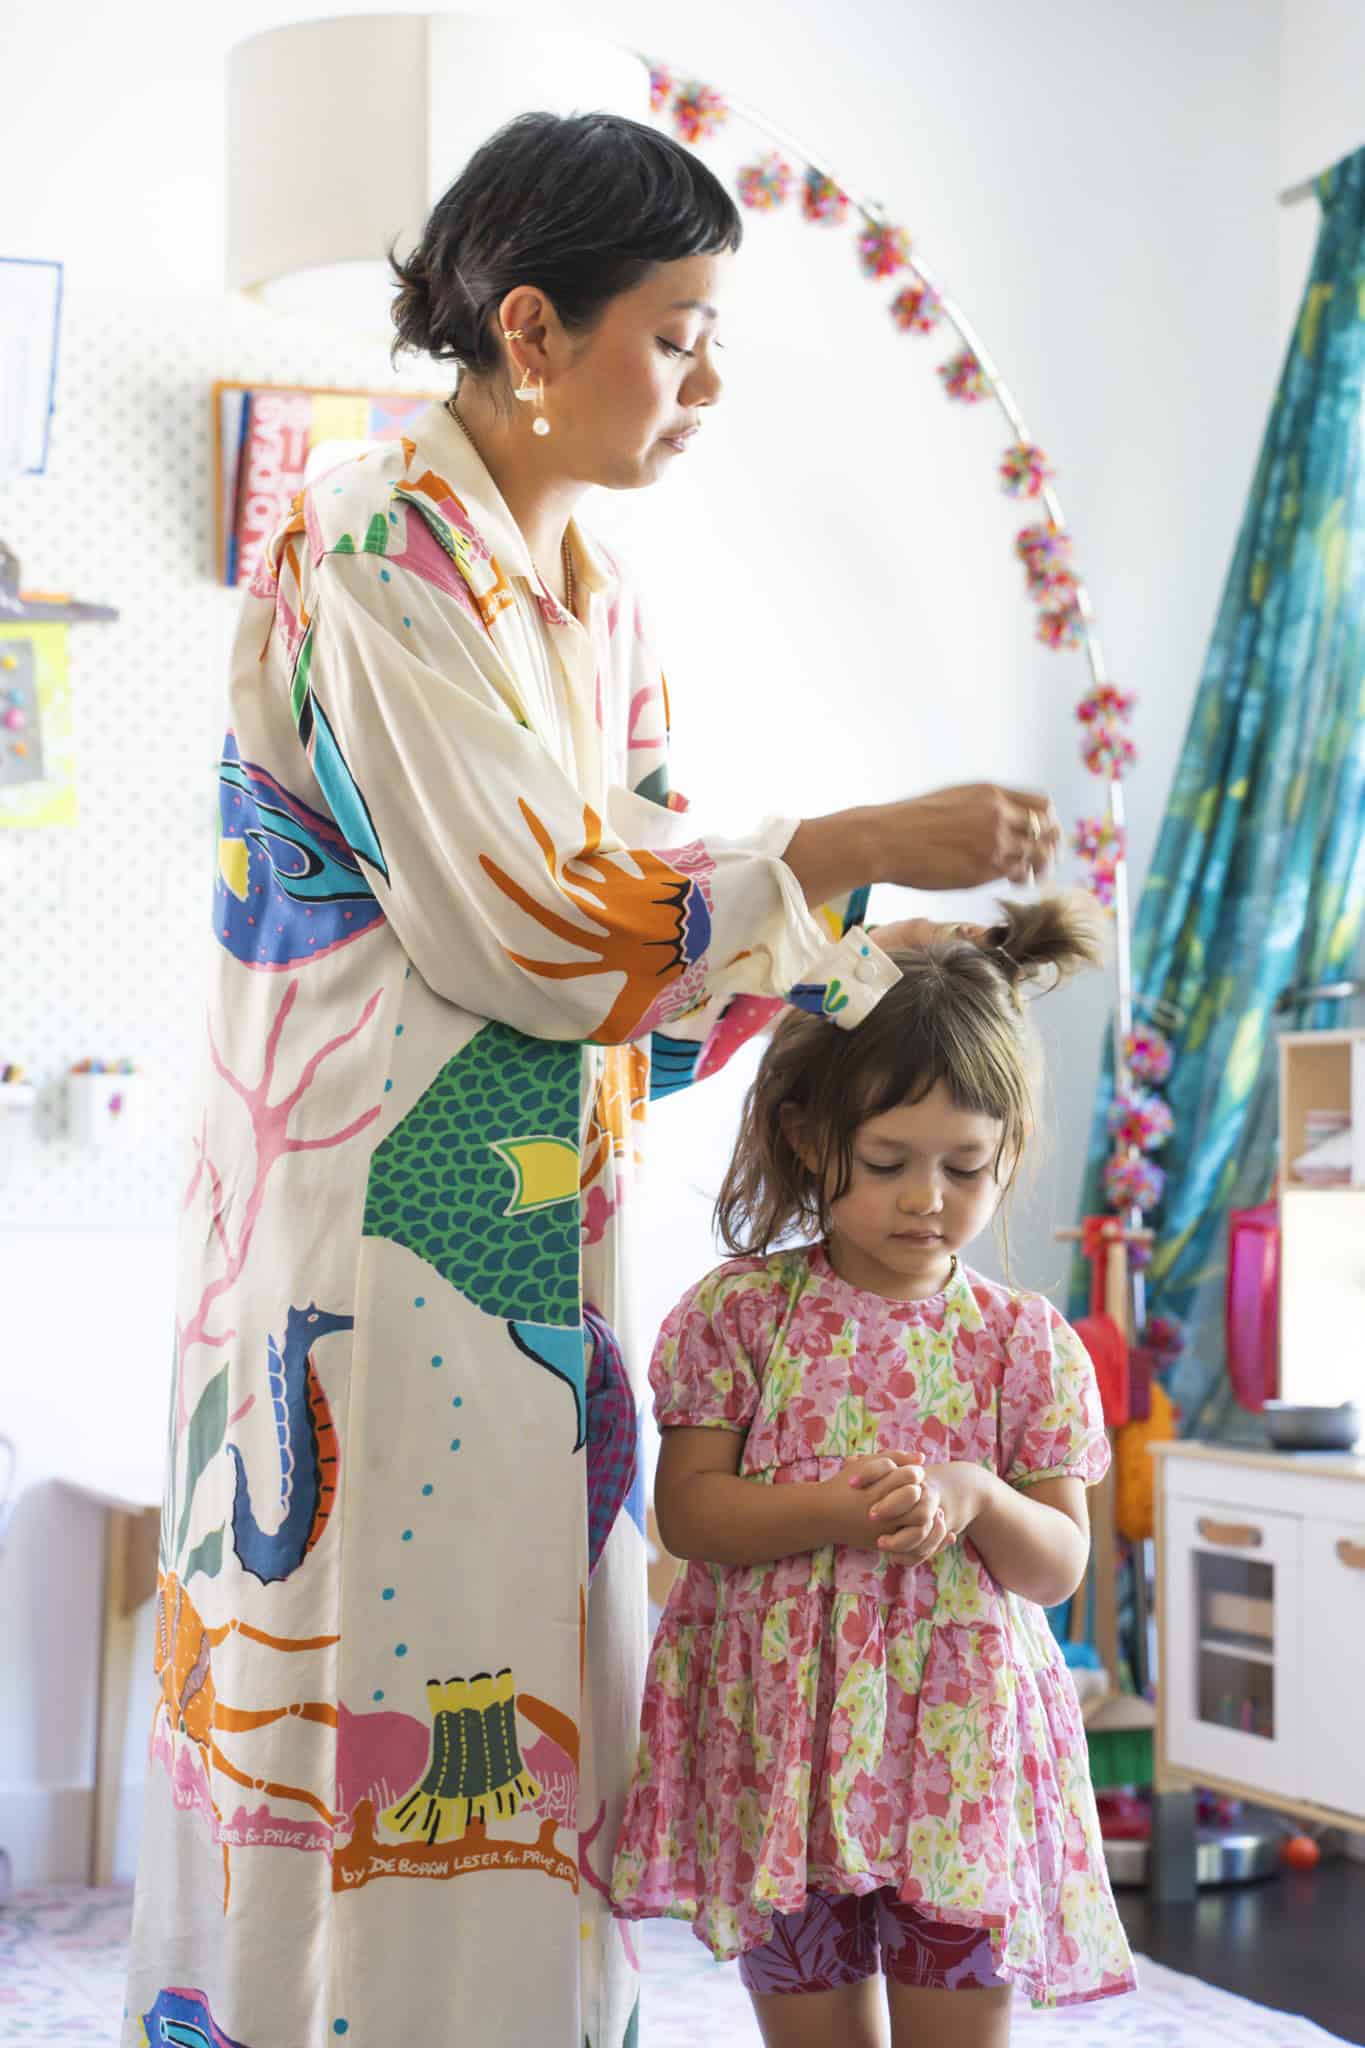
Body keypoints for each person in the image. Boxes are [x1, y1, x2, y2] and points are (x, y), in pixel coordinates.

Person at [123, 110, 1061, 2048]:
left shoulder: (593, 592)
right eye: (677, 335)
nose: (703, 383)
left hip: (533, 1218)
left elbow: (640, 950)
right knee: (381, 1671)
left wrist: (855, 942)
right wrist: (849, 840)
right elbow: (531, 926)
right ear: (533, 330)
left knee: (513, 1688)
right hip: (378, 1228)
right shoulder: (374, 544)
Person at [612, 898, 1137, 2046]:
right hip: (781, 1763)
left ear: (1008, 1149)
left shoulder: (1026, 1343)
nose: (927, 1197)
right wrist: (835, 1507)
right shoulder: (740, 1315)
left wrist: (978, 1493)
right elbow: (688, 1513)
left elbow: (1056, 1566)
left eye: (966, 1164)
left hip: (961, 1769)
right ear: (808, 1135)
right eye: (890, 1160)